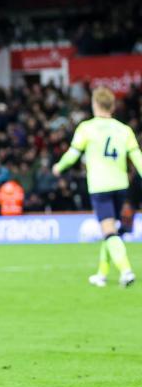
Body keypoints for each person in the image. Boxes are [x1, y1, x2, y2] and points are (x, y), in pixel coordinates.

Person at [53, 86, 141, 288]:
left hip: (100, 185)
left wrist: (59, 167)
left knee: (109, 231)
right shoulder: (124, 129)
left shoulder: (87, 128)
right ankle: (101, 274)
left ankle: (126, 271)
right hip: (121, 185)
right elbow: (137, 157)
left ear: (95, 105)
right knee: (111, 232)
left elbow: (73, 155)